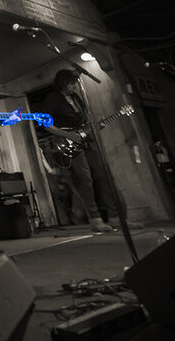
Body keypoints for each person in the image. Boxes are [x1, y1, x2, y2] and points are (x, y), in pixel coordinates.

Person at [37, 69, 140, 232]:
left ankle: (116, 218)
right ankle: (95, 218)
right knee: (85, 180)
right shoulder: (52, 99)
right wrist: (68, 134)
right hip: (69, 142)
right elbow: (46, 125)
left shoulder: (77, 98)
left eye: (76, 83)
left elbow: (84, 121)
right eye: (72, 83)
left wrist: (95, 127)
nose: (75, 86)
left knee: (104, 176)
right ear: (63, 83)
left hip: (88, 141)